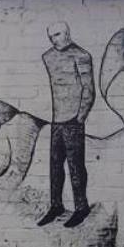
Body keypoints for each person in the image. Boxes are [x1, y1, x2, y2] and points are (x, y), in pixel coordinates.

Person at [37, 22, 95, 228]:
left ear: (67, 33)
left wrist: (80, 117)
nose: (54, 40)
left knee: (76, 166)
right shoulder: (48, 57)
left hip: (73, 120)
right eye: (51, 36)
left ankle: (81, 207)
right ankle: (56, 205)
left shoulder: (82, 56)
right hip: (57, 120)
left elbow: (89, 90)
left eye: (57, 34)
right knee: (55, 166)